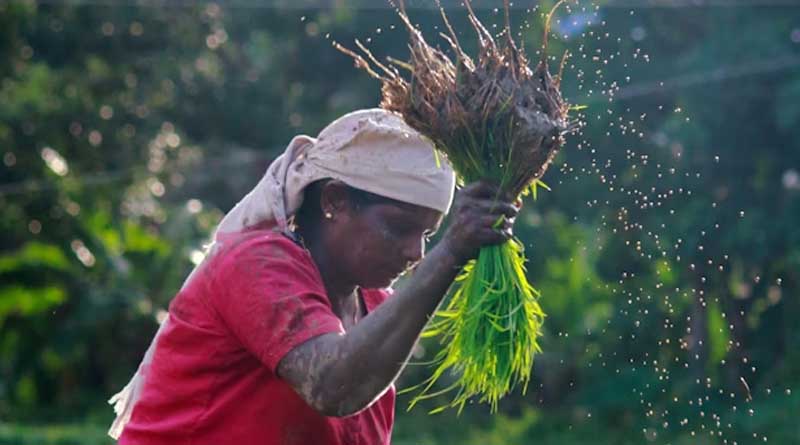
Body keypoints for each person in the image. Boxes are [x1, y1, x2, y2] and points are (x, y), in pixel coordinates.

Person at [108, 109, 519, 444]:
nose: (417, 253)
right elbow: (331, 386)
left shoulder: (376, 305)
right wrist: (450, 254)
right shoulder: (256, 264)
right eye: (399, 227)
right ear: (334, 201)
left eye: (429, 235)